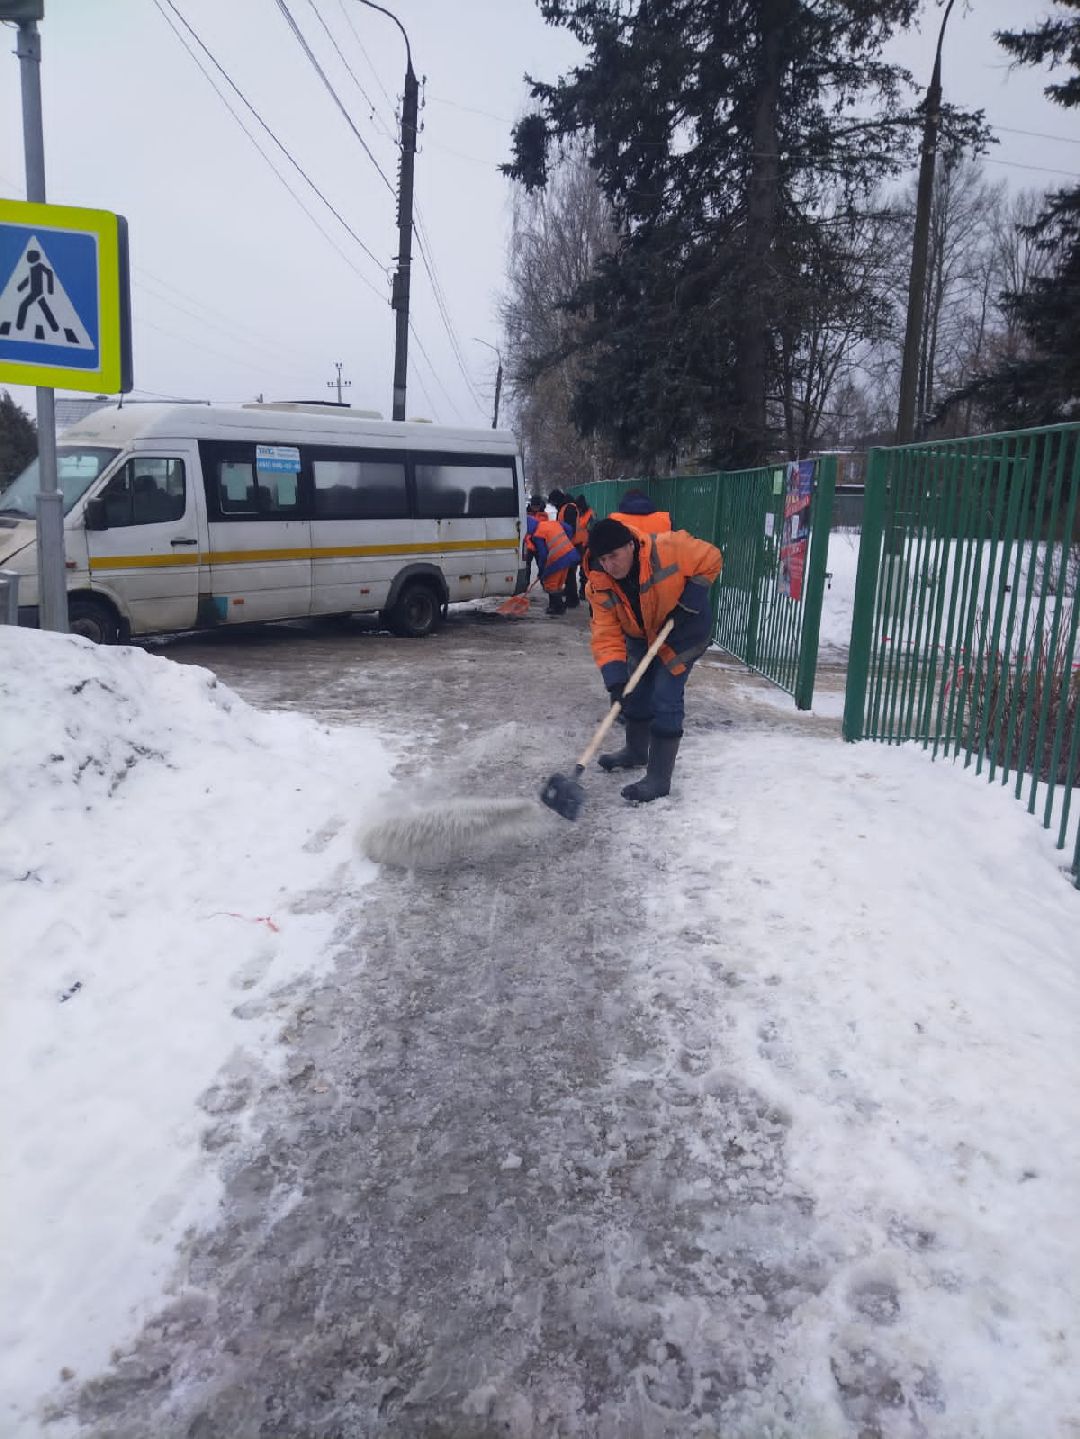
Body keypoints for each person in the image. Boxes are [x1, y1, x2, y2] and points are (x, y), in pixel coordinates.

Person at [585, 517, 722, 802]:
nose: (610, 565)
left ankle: (659, 778)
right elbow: (606, 633)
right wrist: (615, 683)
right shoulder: (597, 585)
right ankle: (636, 752)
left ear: (631, 546)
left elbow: (711, 556)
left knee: (665, 694)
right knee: (633, 692)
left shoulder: (668, 548)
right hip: (642, 635)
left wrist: (691, 600)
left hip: (684, 630)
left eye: (614, 556)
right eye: (603, 559)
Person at [526, 498, 580, 616]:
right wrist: (566, 540)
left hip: (558, 559)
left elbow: (543, 554)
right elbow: (568, 528)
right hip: (570, 553)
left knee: (551, 583)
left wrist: (542, 570)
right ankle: (556, 606)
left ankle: (557, 608)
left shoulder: (537, 534)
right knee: (559, 582)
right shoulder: (551, 523)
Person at [547, 489, 581, 609]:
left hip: (573, 544)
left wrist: (561, 541)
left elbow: (570, 528)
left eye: (553, 502)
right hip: (569, 544)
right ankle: (570, 594)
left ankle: (573, 599)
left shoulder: (569, 508)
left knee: (570, 573)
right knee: (568, 572)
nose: (553, 506)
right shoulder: (564, 508)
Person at [573, 494, 595, 599]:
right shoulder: (577, 514)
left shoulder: (590, 515)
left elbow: (592, 530)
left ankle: (583, 591)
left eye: (579, 508)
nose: (578, 509)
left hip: (586, 545)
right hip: (577, 544)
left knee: (584, 569)